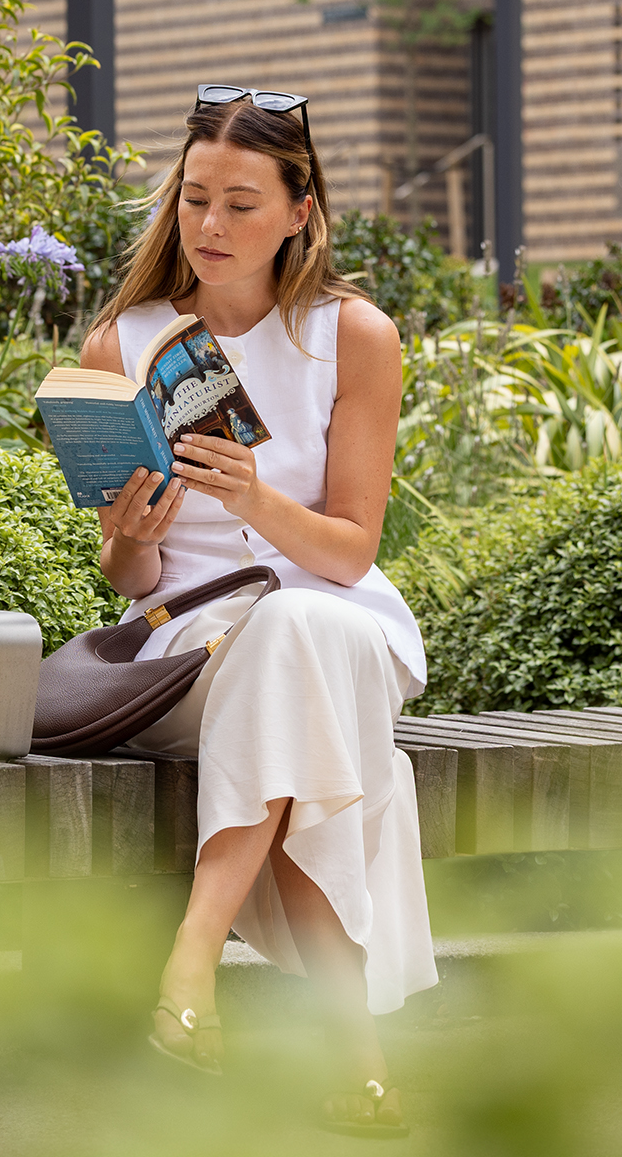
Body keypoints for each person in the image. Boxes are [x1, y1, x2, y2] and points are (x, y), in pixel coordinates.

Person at [77, 86, 435, 1137]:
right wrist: (136, 533)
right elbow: (128, 580)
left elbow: (351, 548)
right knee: (292, 698)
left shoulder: (353, 336)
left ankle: (192, 962)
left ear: (299, 210)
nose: (211, 227)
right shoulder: (126, 342)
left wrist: (255, 498)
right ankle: (358, 1066)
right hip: (189, 644)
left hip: (340, 621)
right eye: (193, 200)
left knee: (296, 634)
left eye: (241, 203)